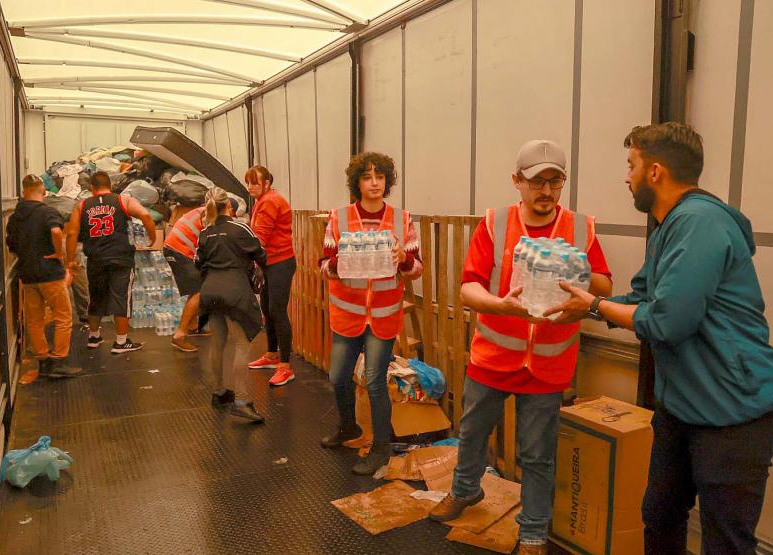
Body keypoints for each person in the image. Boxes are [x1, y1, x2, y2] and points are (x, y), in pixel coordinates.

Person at [545, 122, 773, 555]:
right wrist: (581, 301)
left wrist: (595, 308)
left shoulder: (698, 223)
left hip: (734, 414)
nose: (626, 176)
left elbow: (669, 321)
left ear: (654, 172)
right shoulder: (667, 225)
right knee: (659, 516)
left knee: (726, 543)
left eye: (631, 165)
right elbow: (640, 298)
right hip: (683, 408)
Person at [427, 140, 613, 555]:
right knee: (472, 433)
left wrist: (581, 282)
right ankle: (465, 490)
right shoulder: (495, 223)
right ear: (517, 181)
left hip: (547, 366)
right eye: (536, 182)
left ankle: (532, 530)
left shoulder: (581, 228)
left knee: (537, 454)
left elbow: (603, 286)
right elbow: (468, 287)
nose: (546, 191)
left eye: (555, 181)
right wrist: (503, 306)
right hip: (493, 357)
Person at [318, 152, 423, 475]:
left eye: (380, 177)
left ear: (387, 182)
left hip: (383, 314)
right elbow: (323, 266)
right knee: (338, 376)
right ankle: (348, 426)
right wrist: (339, 260)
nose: (374, 183)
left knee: (376, 381)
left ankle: (380, 448)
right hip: (347, 313)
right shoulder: (339, 218)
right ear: (357, 182)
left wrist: (402, 260)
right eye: (367, 177)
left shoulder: (403, 220)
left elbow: (417, 269)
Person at [195, 188, 267, 422]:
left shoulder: (205, 232)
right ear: (230, 207)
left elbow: (198, 262)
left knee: (218, 343)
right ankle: (243, 401)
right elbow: (261, 254)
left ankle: (219, 392)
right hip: (235, 290)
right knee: (242, 345)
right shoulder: (240, 228)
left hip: (210, 291)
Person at [65, 171, 156, 354]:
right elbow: (145, 215)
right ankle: (121, 342)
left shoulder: (82, 206)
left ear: (92, 188)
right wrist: (152, 238)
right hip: (121, 258)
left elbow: (72, 233)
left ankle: (93, 336)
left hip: (96, 259)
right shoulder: (123, 200)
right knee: (122, 297)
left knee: (96, 297)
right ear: (111, 186)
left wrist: (69, 260)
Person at [6, 174, 80, 377]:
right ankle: (58, 361)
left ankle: (43, 361)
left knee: (35, 320)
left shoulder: (14, 218)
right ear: (43, 191)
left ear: (23, 192)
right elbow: (56, 232)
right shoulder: (48, 212)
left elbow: (11, 246)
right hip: (50, 274)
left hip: (28, 276)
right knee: (63, 317)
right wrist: (58, 253)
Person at [245, 166, 297, 386]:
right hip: (269, 263)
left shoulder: (269, 201)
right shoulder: (262, 200)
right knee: (267, 309)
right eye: (248, 183)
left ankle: (285, 367)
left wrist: (244, 257)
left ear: (267, 183)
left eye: (255, 183)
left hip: (280, 263)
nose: (250, 187)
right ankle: (271, 355)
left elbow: (260, 237)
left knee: (277, 311)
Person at [163, 199, 212, 352]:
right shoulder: (211, 216)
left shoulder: (205, 211)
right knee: (199, 291)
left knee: (199, 285)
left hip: (177, 248)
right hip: (178, 250)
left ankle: (193, 325)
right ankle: (179, 335)